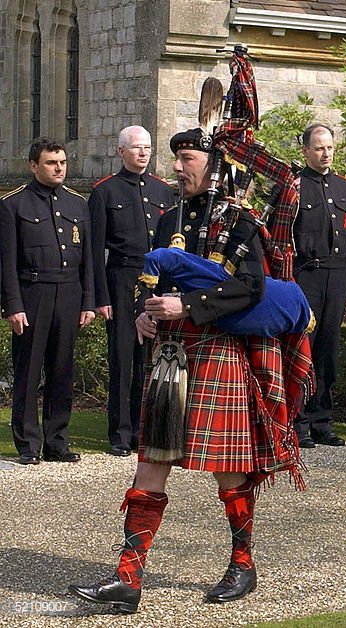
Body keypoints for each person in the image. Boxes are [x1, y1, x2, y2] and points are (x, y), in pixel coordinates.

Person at [69, 128, 291, 612]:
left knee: (228, 471)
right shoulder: (168, 217)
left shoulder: (240, 220)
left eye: (187, 158)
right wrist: (143, 313)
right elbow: (148, 278)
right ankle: (128, 579)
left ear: (213, 165)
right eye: (176, 159)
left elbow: (252, 287)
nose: (176, 167)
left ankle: (243, 564)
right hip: (171, 354)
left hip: (217, 352)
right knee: (150, 462)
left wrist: (188, 304)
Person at [0, 137, 95, 465]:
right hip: (33, 294)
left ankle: (57, 442)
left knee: (62, 370)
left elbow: (87, 260)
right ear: (33, 166)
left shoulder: (77, 204)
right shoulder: (13, 204)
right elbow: (7, 262)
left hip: (68, 293)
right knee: (28, 371)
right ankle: (28, 444)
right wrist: (12, 305)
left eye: (63, 163)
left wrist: (88, 301)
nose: (59, 169)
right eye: (51, 163)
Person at [89, 126, 175, 457]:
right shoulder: (105, 192)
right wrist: (101, 297)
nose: (143, 153)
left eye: (147, 148)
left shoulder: (163, 190)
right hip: (122, 279)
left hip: (156, 280)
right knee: (123, 358)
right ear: (121, 151)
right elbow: (95, 251)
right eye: (137, 147)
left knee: (151, 360)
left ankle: (144, 430)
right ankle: (120, 433)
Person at [292, 124, 346, 448]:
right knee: (303, 350)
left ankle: (323, 421)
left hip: (338, 277)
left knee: (329, 353)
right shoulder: (295, 187)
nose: (325, 153)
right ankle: (299, 422)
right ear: (306, 151)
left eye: (330, 147)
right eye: (319, 148)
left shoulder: (345, 188)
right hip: (307, 276)